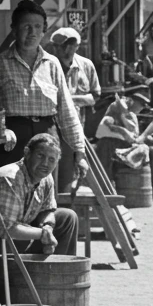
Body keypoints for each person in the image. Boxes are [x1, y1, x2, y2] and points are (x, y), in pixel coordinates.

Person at [0, 0, 88, 194]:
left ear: (44, 31)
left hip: (47, 139)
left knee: (44, 196)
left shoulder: (52, 64)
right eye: (26, 26)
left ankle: (44, 226)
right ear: (14, 29)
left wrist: (79, 152)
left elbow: (67, 112)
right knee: (8, 195)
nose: (32, 32)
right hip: (11, 141)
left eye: (38, 27)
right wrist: (1, 130)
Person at [0, 133, 80, 282]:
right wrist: (42, 234)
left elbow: (48, 209)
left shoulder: (46, 177)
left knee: (67, 217)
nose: (45, 163)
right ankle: (7, 289)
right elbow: (7, 229)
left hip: (9, 229)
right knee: (15, 240)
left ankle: (55, 278)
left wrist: (48, 226)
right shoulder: (10, 178)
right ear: (27, 153)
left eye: (51, 160)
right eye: (40, 156)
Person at [98, 85, 153, 202]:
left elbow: (136, 137)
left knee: (150, 149)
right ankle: (111, 189)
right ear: (132, 101)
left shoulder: (132, 116)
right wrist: (123, 131)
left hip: (126, 146)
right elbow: (106, 124)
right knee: (148, 149)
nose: (142, 107)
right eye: (141, 104)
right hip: (112, 145)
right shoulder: (117, 108)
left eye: (144, 105)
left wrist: (148, 134)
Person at [49, 26, 101, 187]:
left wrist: (70, 99)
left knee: (71, 166)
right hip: (51, 124)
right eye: (66, 45)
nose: (70, 49)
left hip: (76, 123)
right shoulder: (47, 64)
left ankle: (67, 202)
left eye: (73, 45)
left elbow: (95, 95)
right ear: (56, 47)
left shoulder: (85, 65)